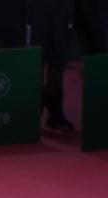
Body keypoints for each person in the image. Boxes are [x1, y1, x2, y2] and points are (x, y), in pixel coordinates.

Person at [26, 0, 75, 132]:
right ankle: (32, 113)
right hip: (37, 6)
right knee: (35, 58)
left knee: (58, 57)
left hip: (61, 5)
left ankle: (55, 113)